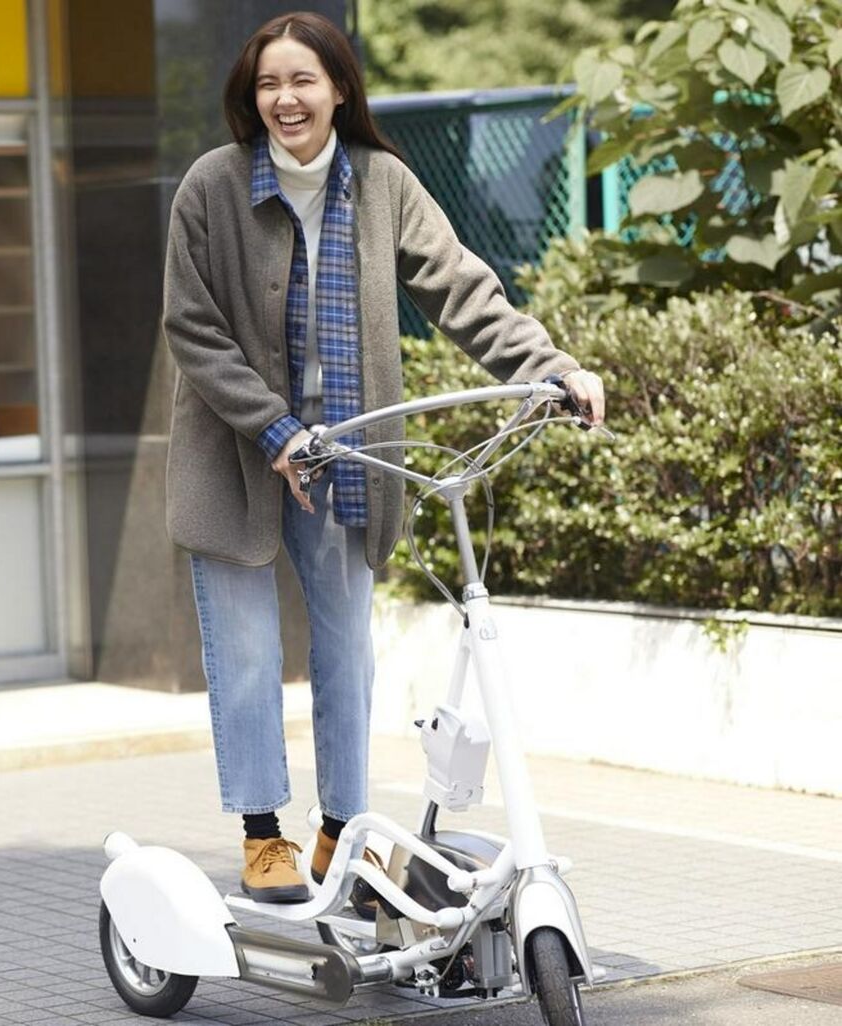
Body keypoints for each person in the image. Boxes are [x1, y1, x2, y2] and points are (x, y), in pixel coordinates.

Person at [163, 11, 605, 904]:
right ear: (252, 100)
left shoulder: (384, 184)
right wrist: (275, 429)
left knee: (345, 654)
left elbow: (463, 290)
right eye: (268, 85)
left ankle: (343, 833)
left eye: (303, 81)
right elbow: (193, 329)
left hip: (348, 455)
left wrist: (551, 367)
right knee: (246, 653)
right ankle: (262, 836)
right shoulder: (211, 186)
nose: (286, 99)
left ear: (339, 90)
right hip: (239, 458)